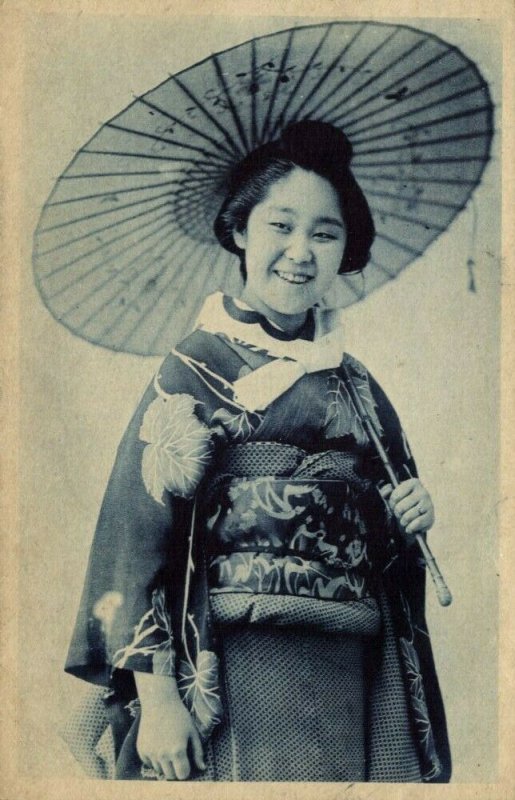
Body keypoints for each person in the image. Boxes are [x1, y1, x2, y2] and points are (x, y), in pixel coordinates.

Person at [64, 120, 451, 782]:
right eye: (280, 226)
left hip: (345, 667)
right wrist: (157, 701)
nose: (300, 252)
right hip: (235, 659)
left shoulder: (353, 382)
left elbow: (383, 545)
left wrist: (405, 516)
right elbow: (133, 545)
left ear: (344, 247)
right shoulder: (194, 366)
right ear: (240, 229)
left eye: (323, 233)